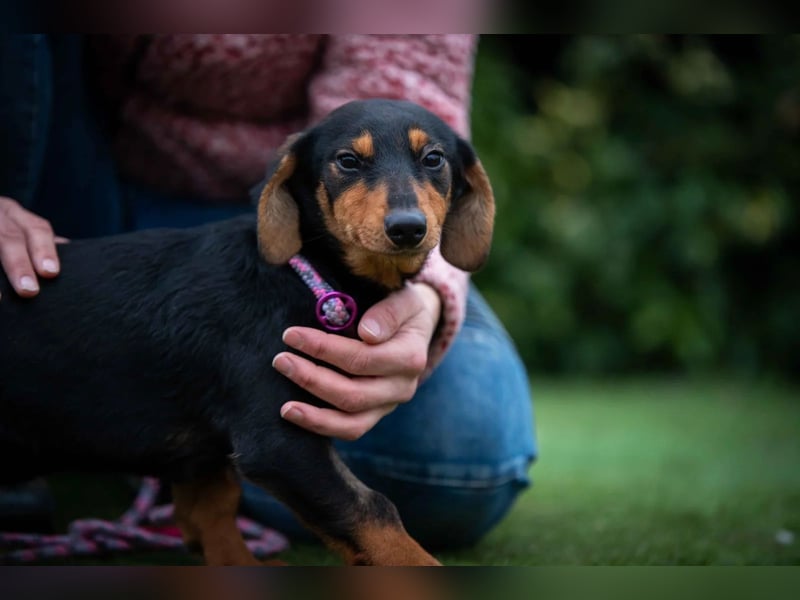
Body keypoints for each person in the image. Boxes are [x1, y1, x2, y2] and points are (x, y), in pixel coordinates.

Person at [0, 34, 536, 550]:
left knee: (463, 463)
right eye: (352, 162)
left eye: (432, 161)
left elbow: (396, 97)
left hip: (301, 233)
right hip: (57, 182)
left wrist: (431, 296)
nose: (405, 212)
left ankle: (184, 462)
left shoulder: (383, 191)